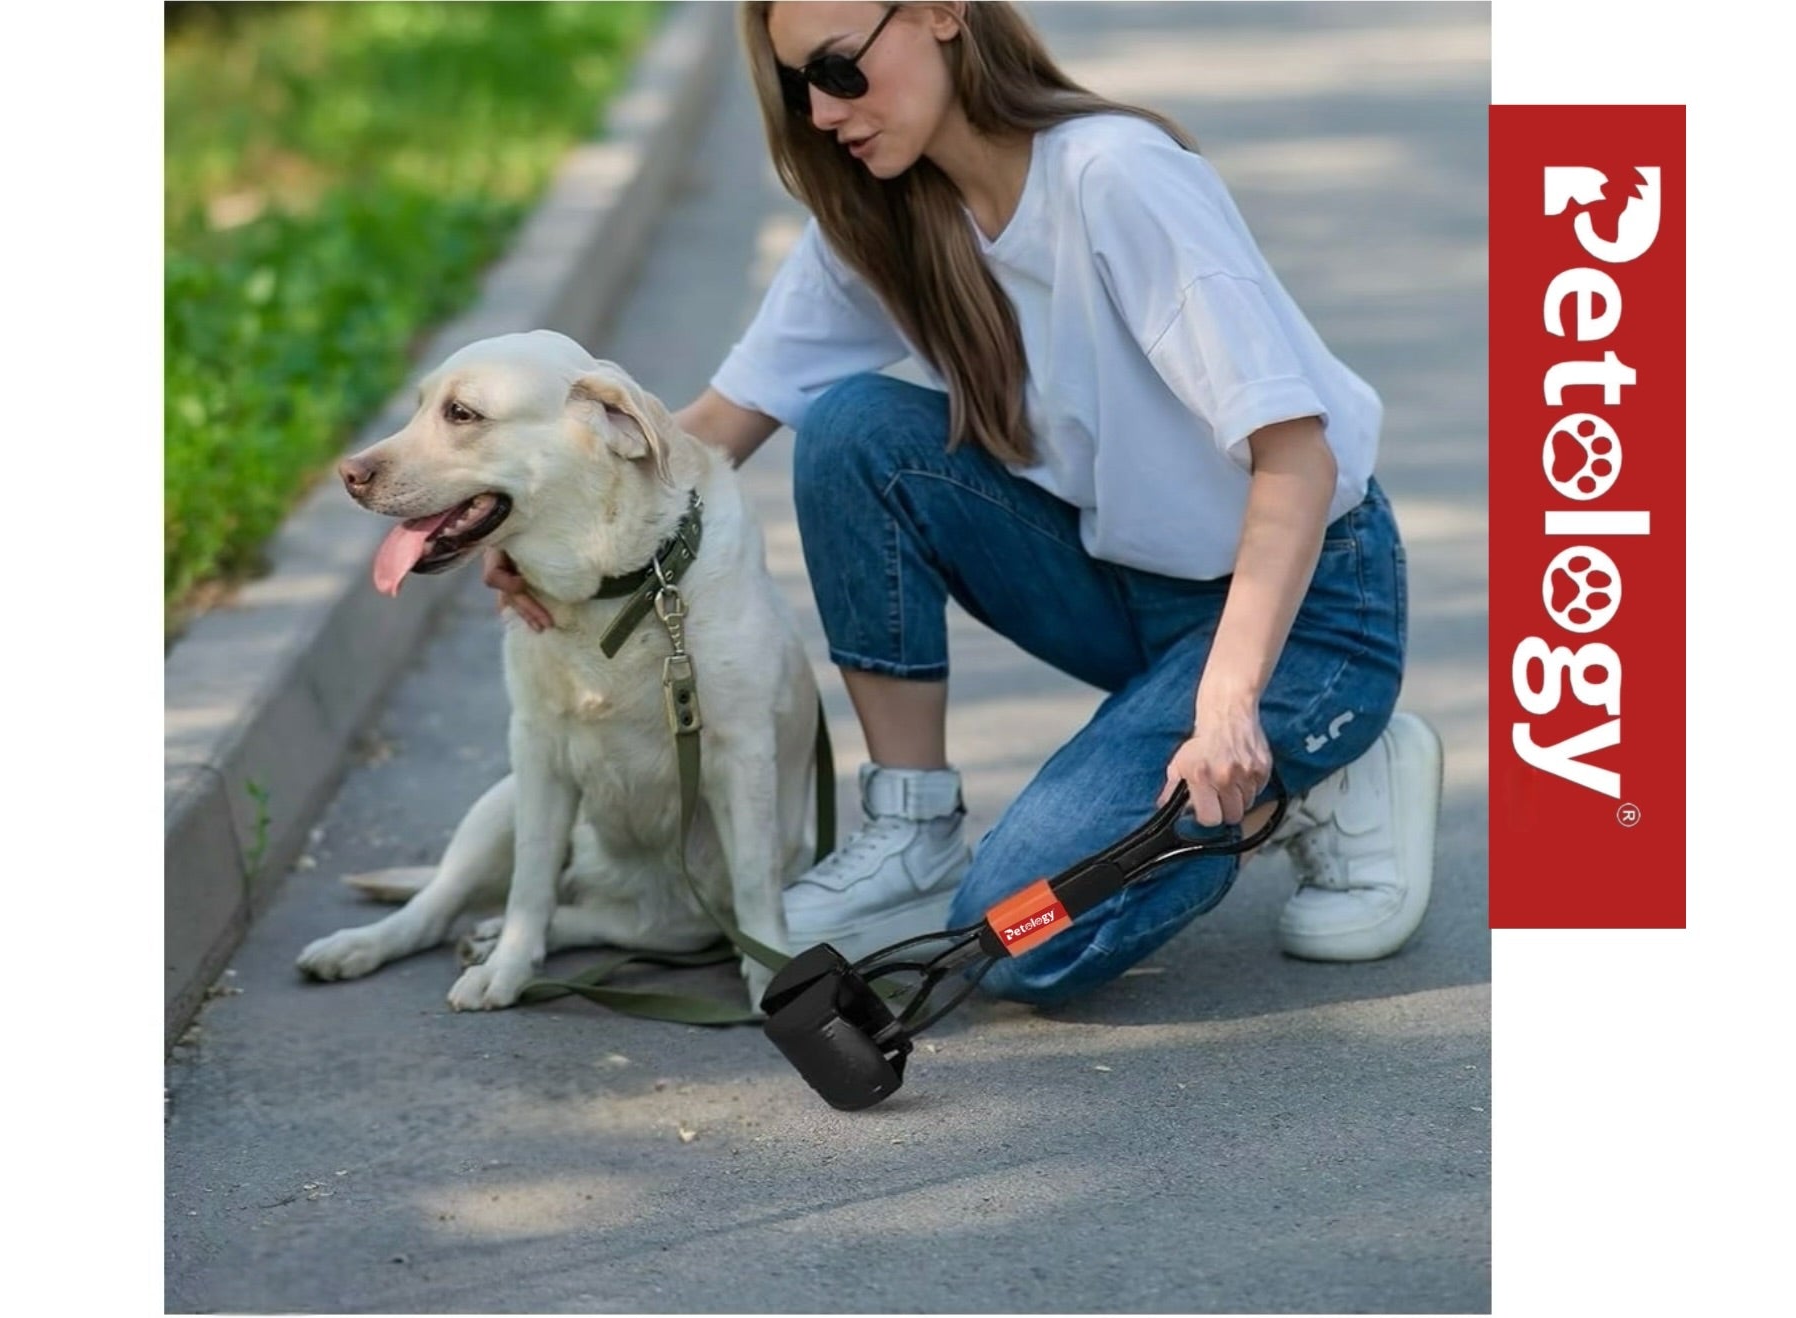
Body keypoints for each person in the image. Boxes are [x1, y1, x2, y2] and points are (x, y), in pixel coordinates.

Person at [484, 0, 1443, 1005]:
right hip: (1131, 595)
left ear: (941, 12)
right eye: (798, 84)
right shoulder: (888, 215)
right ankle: (910, 828)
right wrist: (549, 523)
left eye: (839, 69)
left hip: (1309, 611)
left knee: (1020, 936)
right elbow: (708, 432)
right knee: (856, 429)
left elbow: (1296, 455)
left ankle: (1322, 767)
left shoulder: (1114, 177)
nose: (819, 110)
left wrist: (1226, 702)